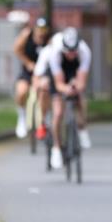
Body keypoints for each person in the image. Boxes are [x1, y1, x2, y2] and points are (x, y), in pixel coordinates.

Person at [38, 27, 92, 170]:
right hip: (59, 72)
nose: (71, 54)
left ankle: (82, 127)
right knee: (58, 112)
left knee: (80, 97)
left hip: (74, 71)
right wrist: (65, 89)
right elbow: (58, 83)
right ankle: (56, 147)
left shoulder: (84, 51)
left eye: (74, 51)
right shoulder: (55, 52)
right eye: (68, 51)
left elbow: (82, 81)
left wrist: (76, 87)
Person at [12, 17, 51, 138]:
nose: (41, 32)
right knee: (21, 92)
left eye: (44, 29)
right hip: (28, 71)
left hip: (43, 72)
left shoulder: (49, 40)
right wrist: (28, 63)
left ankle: (44, 118)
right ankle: (22, 116)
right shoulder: (26, 35)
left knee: (43, 92)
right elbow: (16, 49)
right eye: (39, 29)